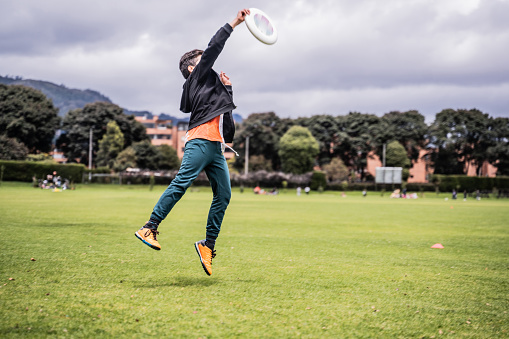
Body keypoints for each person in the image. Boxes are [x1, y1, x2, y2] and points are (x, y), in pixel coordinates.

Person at [135, 9, 250, 276]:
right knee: (181, 183)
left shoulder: (206, 86)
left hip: (215, 149)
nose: (207, 62)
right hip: (199, 142)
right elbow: (214, 46)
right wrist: (235, 22)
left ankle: (207, 246)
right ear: (192, 68)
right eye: (202, 61)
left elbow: (227, 126)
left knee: (224, 195)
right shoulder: (196, 78)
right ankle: (149, 227)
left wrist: (228, 89)